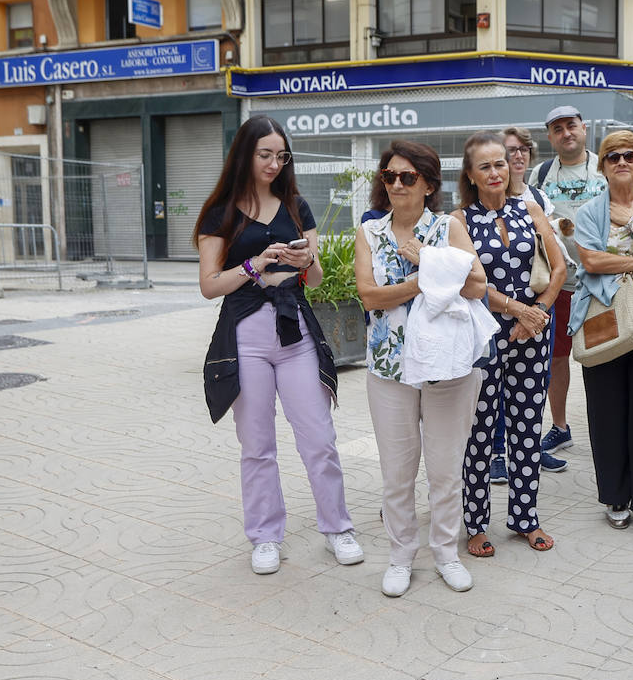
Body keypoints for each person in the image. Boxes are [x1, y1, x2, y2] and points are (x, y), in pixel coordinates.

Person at [196, 115, 364, 576]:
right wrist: (255, 264)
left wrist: (306, 260)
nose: (274, 163)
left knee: (319, 438)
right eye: (265, 154)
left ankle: (337, 527)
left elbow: (317, 278)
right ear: (245, 155)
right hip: (246, 334)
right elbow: (210, 286)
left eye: (281, 155)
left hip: (295, 332)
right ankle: (266, 536)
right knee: (257, 445)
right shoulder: (220, 213)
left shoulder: (295, 206)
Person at [354, 140, 487, 597]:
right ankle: (400, 555)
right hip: (388, 367)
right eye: (388, 176)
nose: (395, 183)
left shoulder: (448, 227)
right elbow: (370, 297)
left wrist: (425, 261)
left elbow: (477, 286)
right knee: (397, 471)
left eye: (407, 176)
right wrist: (426, 277)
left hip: (448, 367)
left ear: (429, 184)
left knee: (447, 469)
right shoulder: (370, 232)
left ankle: (446, 552)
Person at [456, 131, 566, 557]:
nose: (496, 171)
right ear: (471, 174)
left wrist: (534, 315)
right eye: (485, 166)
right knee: (481, 431)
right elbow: (467, 284)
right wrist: (517, 312)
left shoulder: (530, 208)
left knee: (526, 426)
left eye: (500, 162)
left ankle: (525, 518)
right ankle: (476, 523)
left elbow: (558, 268)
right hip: (485, 336)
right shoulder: (460, 220)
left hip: (533, 334)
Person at [571, 131, 633, 535]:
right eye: (612, 156)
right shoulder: (589, 211)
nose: (621, 161)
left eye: (630, 155)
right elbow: (591, 261)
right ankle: (615, 495)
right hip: (604, 319)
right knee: (606, 410)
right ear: (603, 165)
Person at [528, 105, 606, 457]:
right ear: (550, 136)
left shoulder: (605, 166)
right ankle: (560, 428)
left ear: (584, 128)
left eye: (571, 125)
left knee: (605, 354)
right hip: (558, 283)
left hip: (601, 282)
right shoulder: (541, 174)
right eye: (557, 128)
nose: (565, 133)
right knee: (556, 358)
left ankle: (609, 428)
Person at [491, 125, 565, 483]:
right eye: (509, 150)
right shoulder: (486, 205)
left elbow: (557, 260)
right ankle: (496, 455)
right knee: (497, 388)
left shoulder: (537, 198)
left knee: (534, 386)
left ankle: (530, 450)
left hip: (540, 304)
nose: (516, 155)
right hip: (500, 311)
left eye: (522, 149)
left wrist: (540, 310)